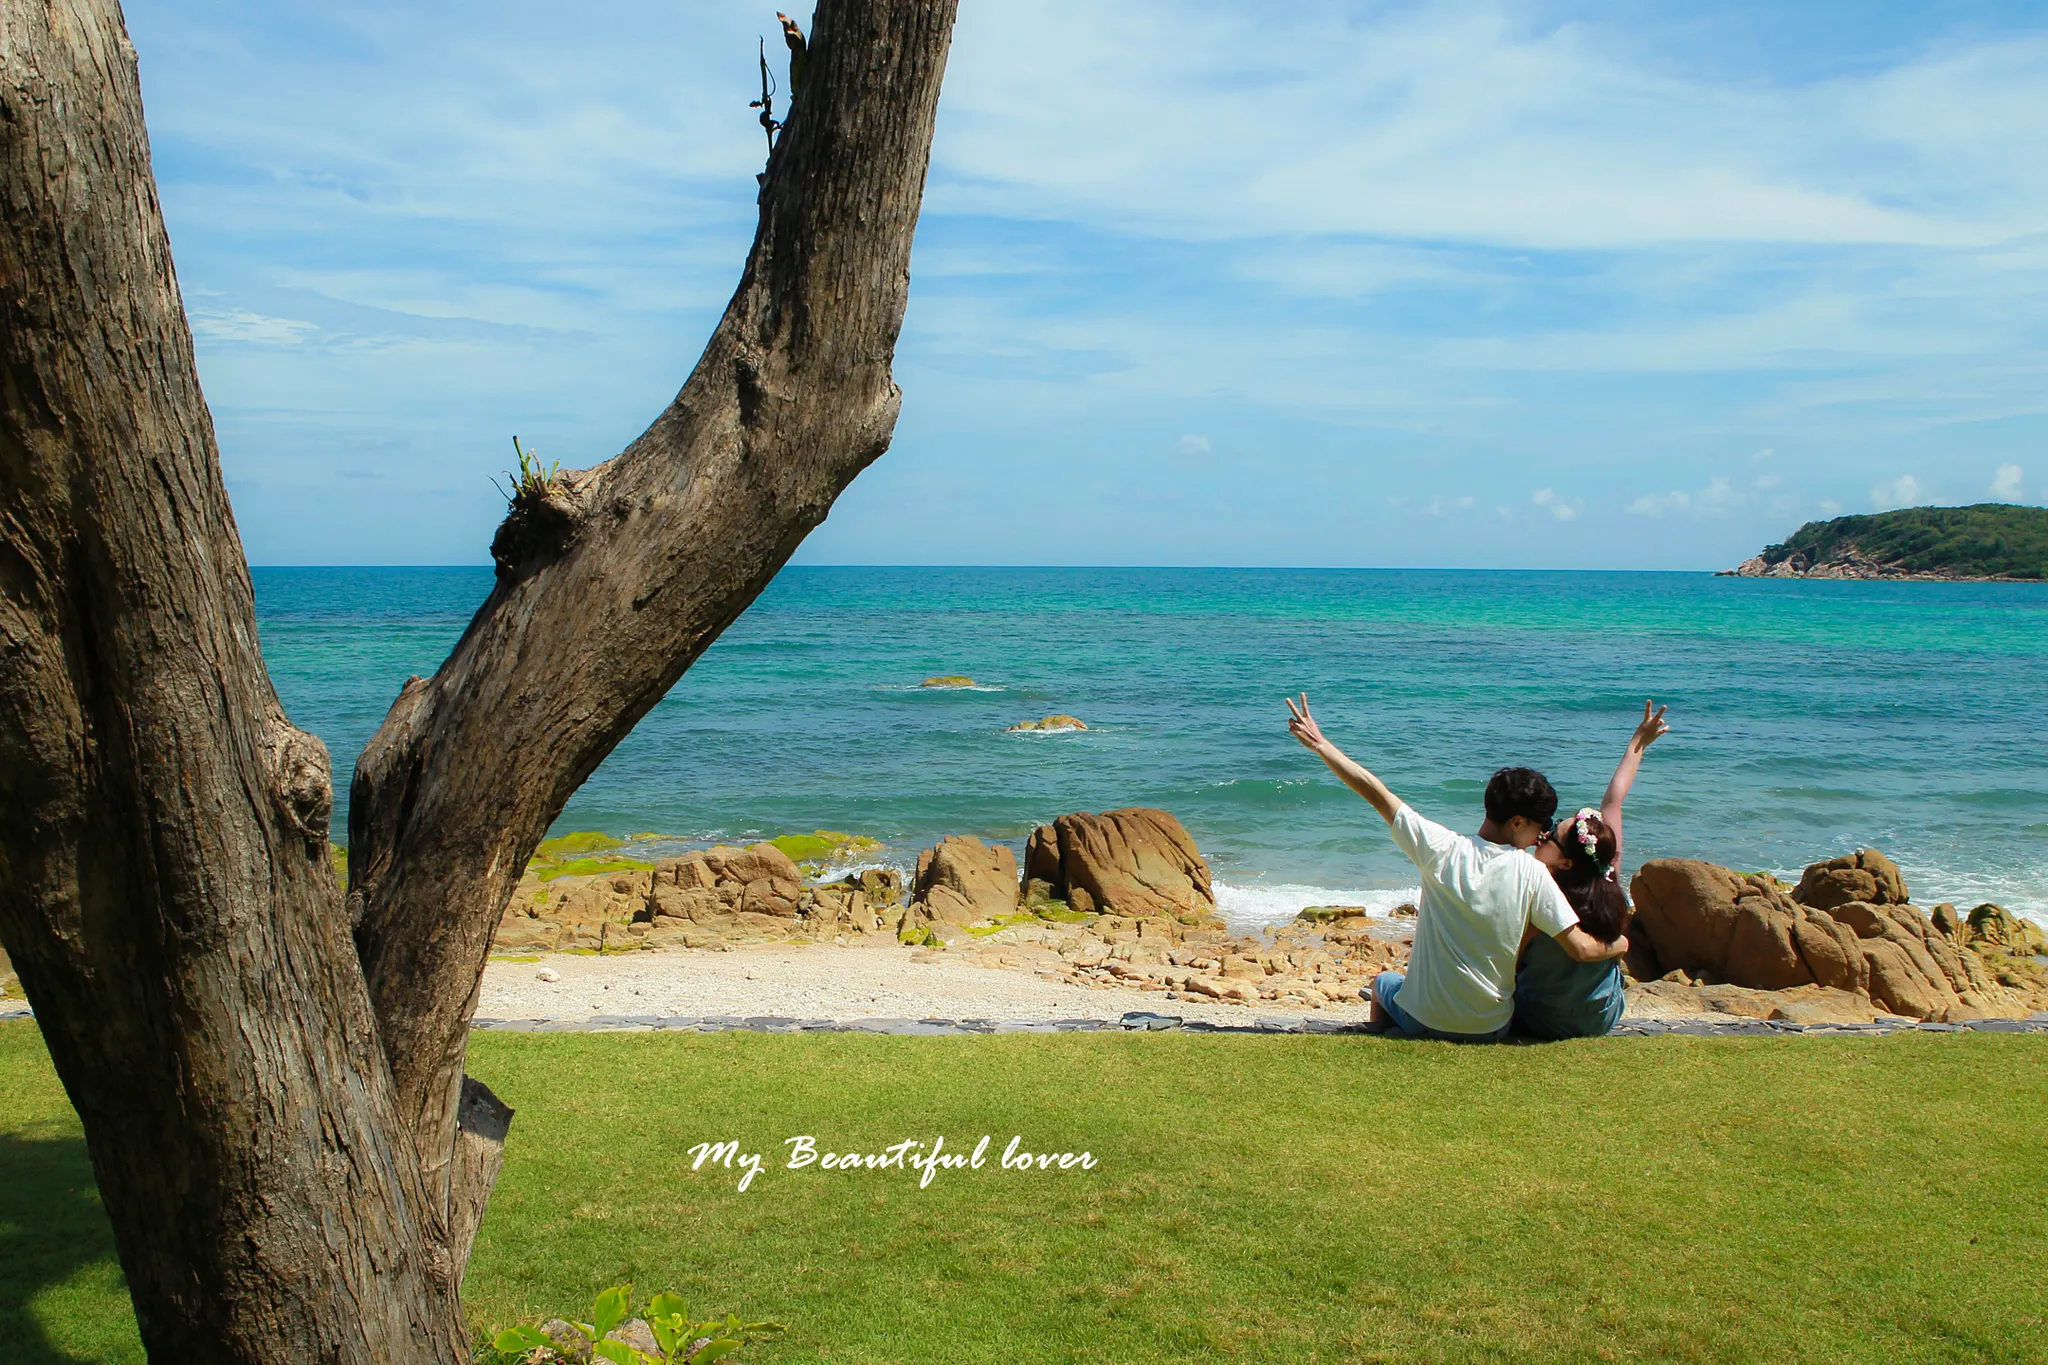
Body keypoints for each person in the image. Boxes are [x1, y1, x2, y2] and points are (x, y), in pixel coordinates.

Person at [1284, 694, 1629, 1042]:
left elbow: (1376, 793)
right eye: (1542, 827)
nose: (1541, 837)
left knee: (1382, 982)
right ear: (1516, 822)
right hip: (1490, 1027)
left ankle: (1382, 1035)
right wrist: (1622, 944)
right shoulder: (1532, 873)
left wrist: (1321, 745)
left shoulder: (1440, 849)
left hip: (1423, 1019)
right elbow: (1581, 948)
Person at [1514, 701, 1670, 1040]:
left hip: (1539, 1017)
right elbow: (1613, 801)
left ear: (1566, 862)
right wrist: (1638, 743)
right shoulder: (1608, 878)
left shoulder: (1541, 893)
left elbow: (1516, 961)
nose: (1543, 834)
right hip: (1601, 1017)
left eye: (1552, 833)